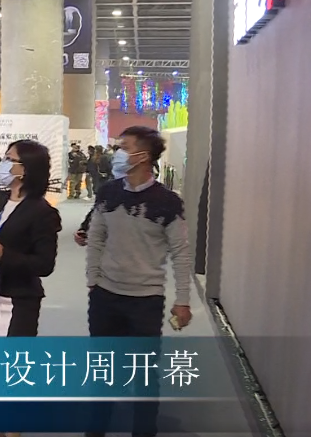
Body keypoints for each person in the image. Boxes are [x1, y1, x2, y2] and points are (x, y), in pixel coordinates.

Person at [84, 126, 194, 437]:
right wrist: (93, 279)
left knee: (144, 374)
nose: (118, 153)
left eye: (125, 147)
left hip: (145, 300)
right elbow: (96, 236)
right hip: (105, 296)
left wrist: (182, 300)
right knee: (102, 370)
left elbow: (180, 252)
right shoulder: (108, 193)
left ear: (143, 156)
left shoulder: (167, 202)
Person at [0, 139, 61, 337]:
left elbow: (44, 264)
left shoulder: (42, 213)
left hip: (15, 298)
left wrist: (4, 254)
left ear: (25, 169)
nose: (3, 163)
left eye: (9, 159)